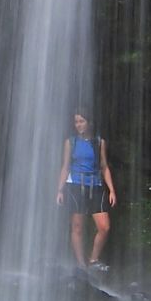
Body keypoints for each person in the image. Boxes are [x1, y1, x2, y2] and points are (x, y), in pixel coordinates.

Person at [56, 108, 117, 270]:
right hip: (76, 185)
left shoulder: (99, 142)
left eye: (81, 121)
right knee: (77, 226)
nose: (78, 125)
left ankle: (93, 260)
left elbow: (104, 167)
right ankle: (81, 265)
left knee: (104, 227)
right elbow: (65, 166)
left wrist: (111, 190)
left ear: (89, 123)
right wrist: (60, 190)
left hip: (95, 185)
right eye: (76, 122)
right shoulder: (71, 142)